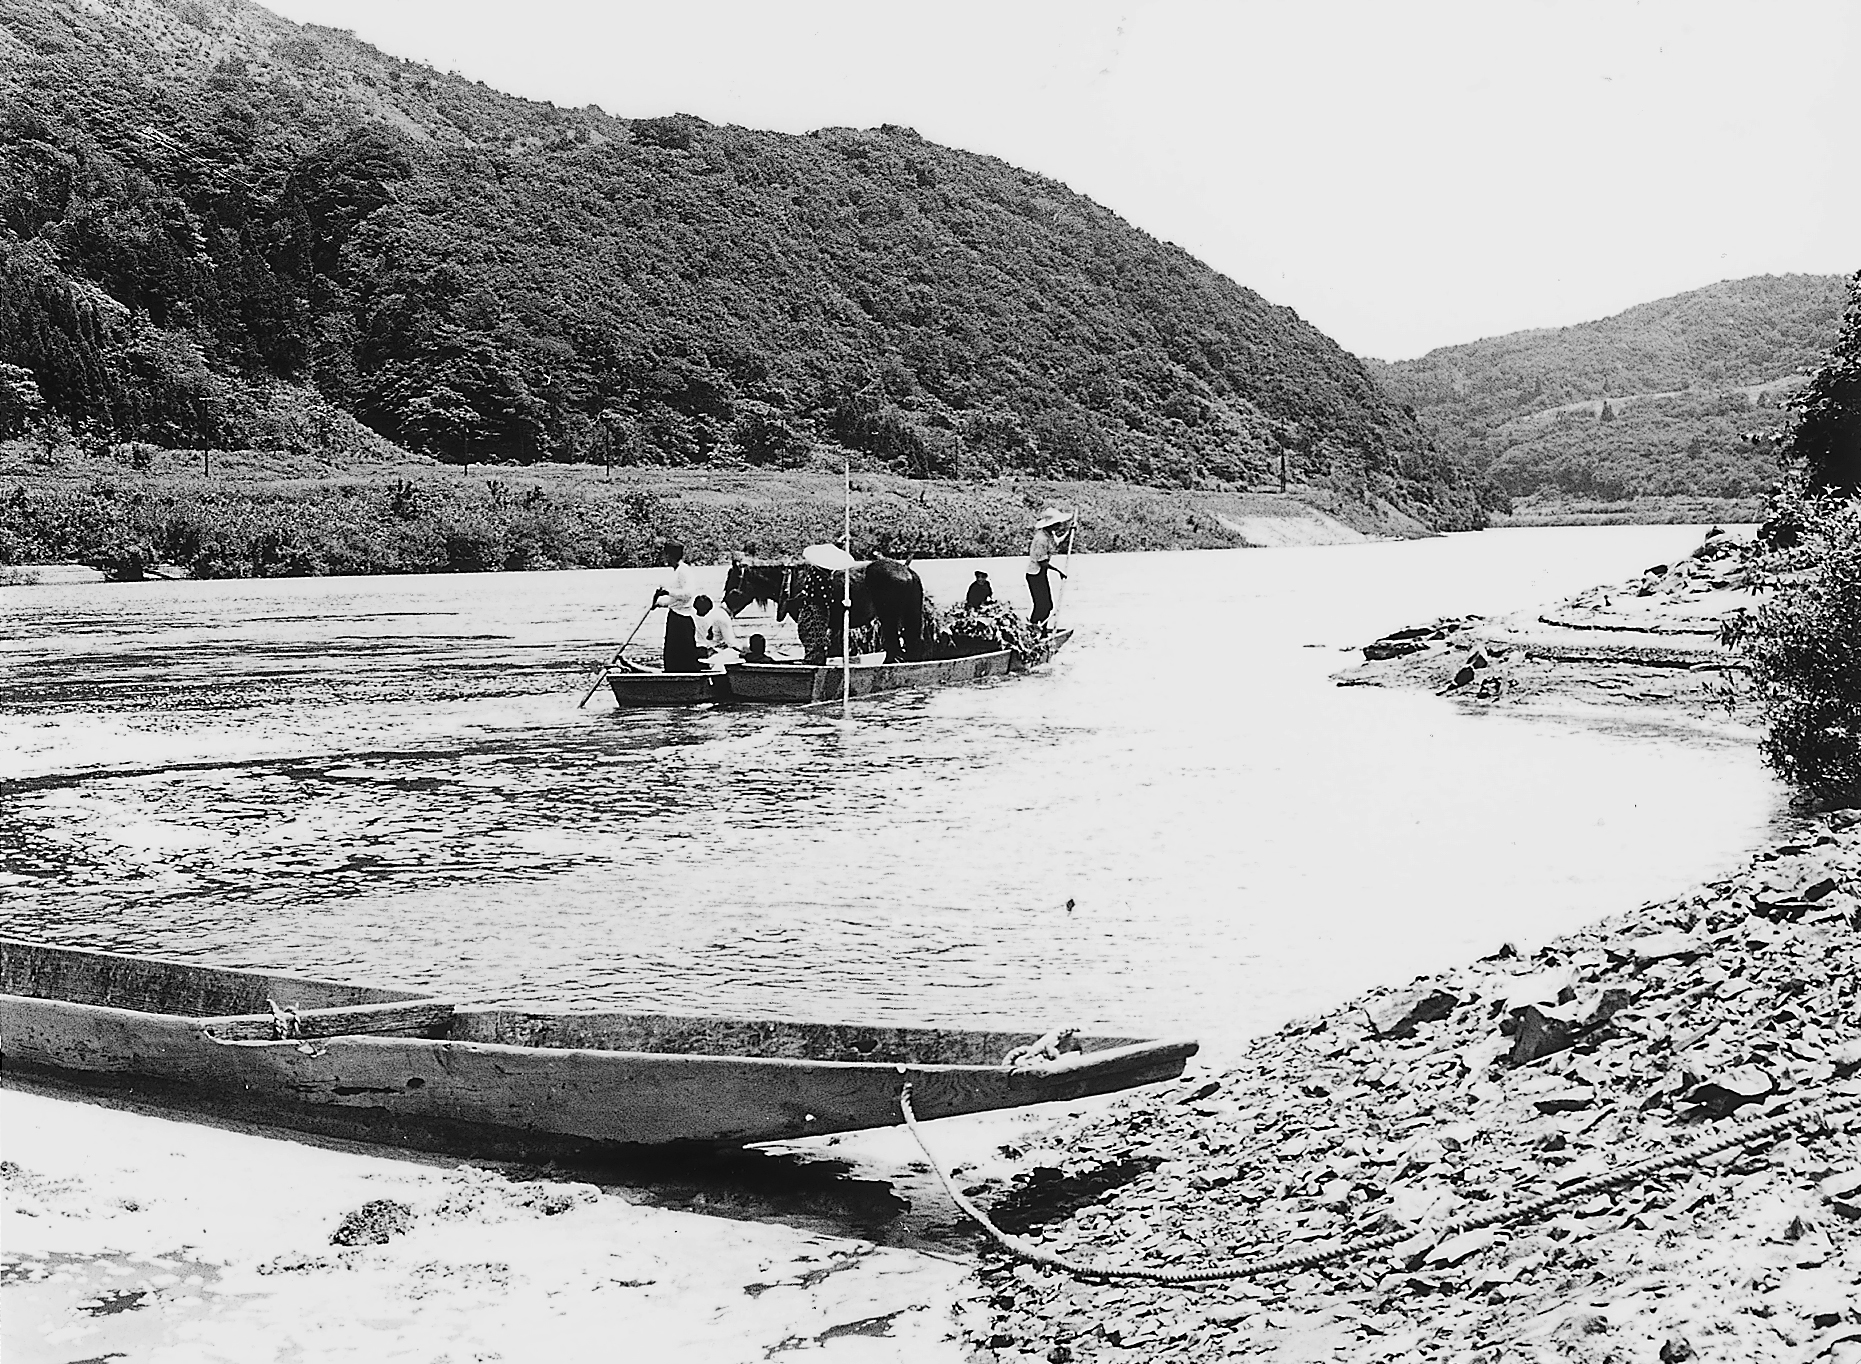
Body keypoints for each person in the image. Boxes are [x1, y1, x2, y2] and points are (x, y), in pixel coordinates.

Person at [651, 541, 700, 673]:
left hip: (683, 619)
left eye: (665, 554)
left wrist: (667, 592)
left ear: (668, 555)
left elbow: (688, 594)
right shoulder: (677, 571)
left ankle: (688, 682)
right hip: (674, 616)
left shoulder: (684, 571)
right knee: (671, 656)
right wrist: (658, 603)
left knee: (684, 657)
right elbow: (675, 600)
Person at [1025, 509, 1072, 627]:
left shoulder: (1049, 534)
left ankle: (1042, 628)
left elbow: (1057, 543)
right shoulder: (1041, 539)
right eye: (1058, 523)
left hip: (1041, 573)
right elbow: (1042, 562)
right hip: (1035, 574)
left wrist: (1070, 532)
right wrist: (1059, 571)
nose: (1060, 525)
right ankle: (1033, 628)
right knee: (1041, 605)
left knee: (1048, 605)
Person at [692, 594, 738, 665]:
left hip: (704, 650)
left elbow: (730, 642)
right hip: (707, 651)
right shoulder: (721, 615)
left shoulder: (720, 617)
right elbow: (732, 643)